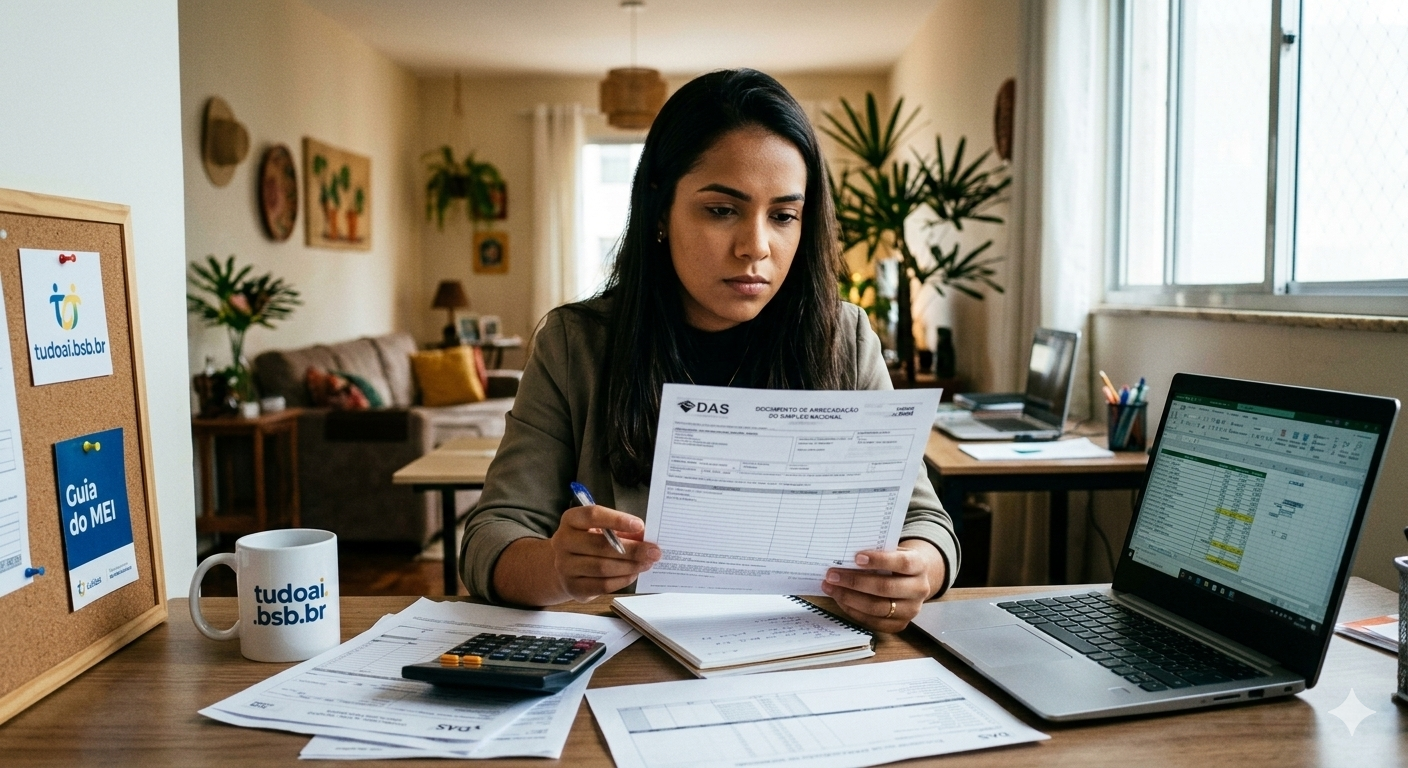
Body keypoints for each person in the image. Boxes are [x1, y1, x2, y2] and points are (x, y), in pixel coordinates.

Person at [461, 69, 959, 633]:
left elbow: (924, 521)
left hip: (809, 650)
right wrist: (555, 567)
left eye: (784, 215)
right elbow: (491, 536)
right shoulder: (577, 345)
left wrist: (918, 569)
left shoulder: (843, 340)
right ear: (659, 211)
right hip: (632, 658)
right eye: (722, 210)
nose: (756, 247)